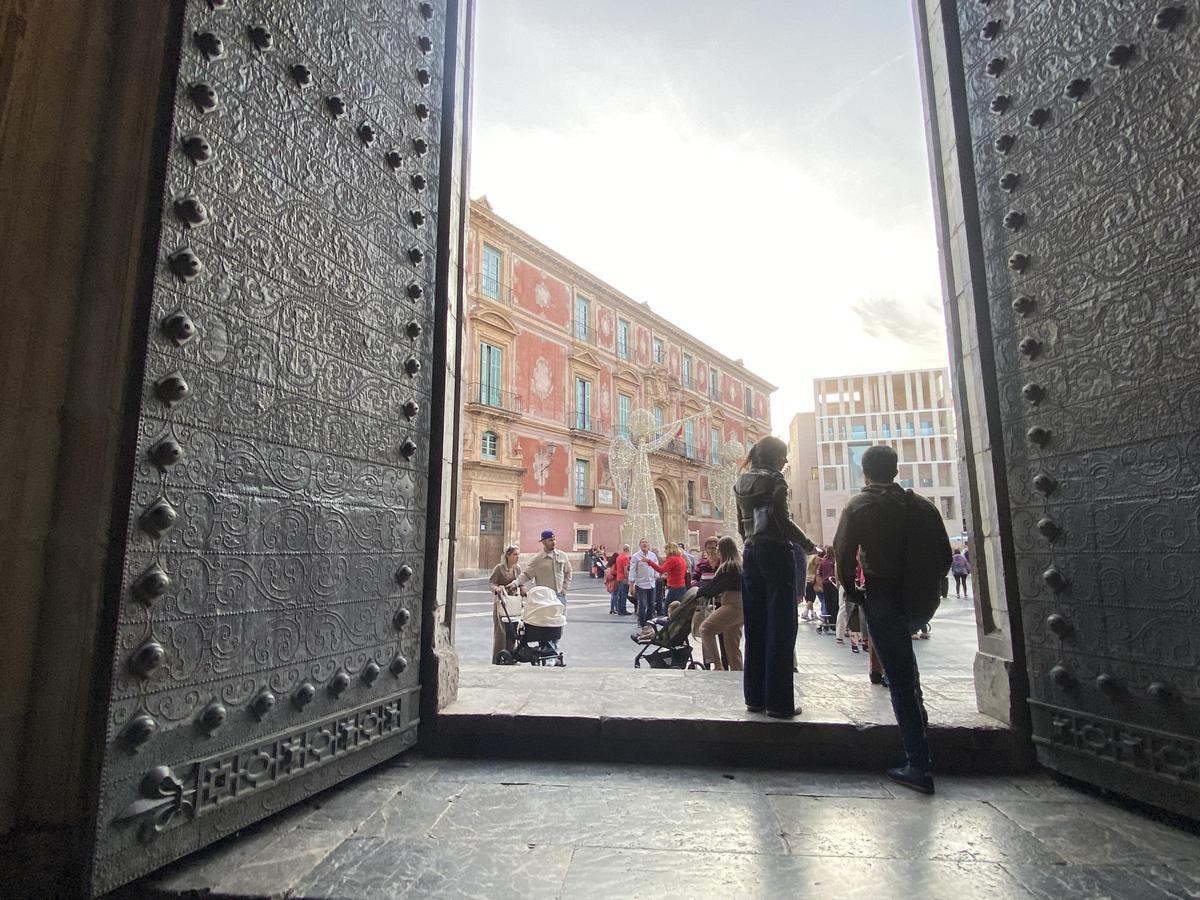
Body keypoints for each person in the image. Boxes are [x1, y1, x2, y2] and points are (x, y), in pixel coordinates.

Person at [834, 444, 951, 795]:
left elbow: (842, 556)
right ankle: (923, 746)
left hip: (884, 599)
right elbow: (944, 556)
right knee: (906, 673)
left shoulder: (859, 505)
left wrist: (854, 592)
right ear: (896, 471)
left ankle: (919, 764)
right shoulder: (923, 506)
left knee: (900, 681)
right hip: (921, 602)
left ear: (865, 473)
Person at [734, 436, 816, 718]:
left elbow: (740, 526)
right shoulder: (776, 480)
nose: (785, 462)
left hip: (751, 554)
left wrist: (751, 543)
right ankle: (779, 703)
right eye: (784, 457)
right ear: (775, 457)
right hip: (776, 554)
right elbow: (782, 520)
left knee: (755, 627)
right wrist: (808, 545)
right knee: (781, 628)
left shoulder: (741, 480)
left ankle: (754, 698)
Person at [695, 536, 745, 671]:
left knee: (705, 629)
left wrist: (698, 592)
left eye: (718, 549)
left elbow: (714, 587)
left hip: (732, 605)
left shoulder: (728, 567)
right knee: (732, 647)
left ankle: (718, 665)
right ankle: (738, 674)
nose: (717, 551)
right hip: (741, 607)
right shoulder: (739, 565)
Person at [519, 529, 572, 605]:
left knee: (561, 617)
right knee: (547, 616)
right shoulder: (537, 559)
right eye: (550, 540)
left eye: (554, 540)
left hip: (560, 595)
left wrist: (564, 588)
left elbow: (568, 572)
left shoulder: (562, 555)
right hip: (545, 597)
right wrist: (515, 584)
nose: (553, 542)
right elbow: (526, 575)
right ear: (543, 542)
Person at [489, 545, 522, 663]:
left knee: (512, 630)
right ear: (508, 556)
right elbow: (491, 583)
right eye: (515, 554)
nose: (517, 557)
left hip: (513, 603)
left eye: (518, 554)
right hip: (502, 603)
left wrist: (522, 589)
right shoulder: (499, 568)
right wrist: (496, 589)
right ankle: (498, 658)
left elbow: (521, 581)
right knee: (500, 632)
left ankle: (511, 656)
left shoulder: (517, 568)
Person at [646, 543, 689, 618]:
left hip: (675, 588)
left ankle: (669, 627)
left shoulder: (672, 559)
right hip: (682, 586)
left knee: (667, 610)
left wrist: (649, 562)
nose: (664, 551)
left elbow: (661, 570)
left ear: (669, 550)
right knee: (679, 610)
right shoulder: (681, 559)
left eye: (665, 549)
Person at [628, 538, 659, 627]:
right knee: (642, 604)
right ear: (640, 545)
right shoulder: (636, 556)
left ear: (648, 545)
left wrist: (656, 575)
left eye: (646, 542)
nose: (644, 544)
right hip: (641, 584)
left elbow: (656, 566)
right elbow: (632, 569)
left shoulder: (653, 555)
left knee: (651, 604)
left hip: (651, 583)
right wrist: (631, 582)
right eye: (642, 542)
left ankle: (649, 621)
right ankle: (642, 622)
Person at [611, 544, 632, 615]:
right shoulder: (625, 558)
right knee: (624, 595)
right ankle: (623, 610)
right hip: (623, 578)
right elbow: (626, 569)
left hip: (618, 578)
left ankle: (620, 609)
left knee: (620, 594)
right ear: (628, 549)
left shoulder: (619, 557)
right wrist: (627, 578)